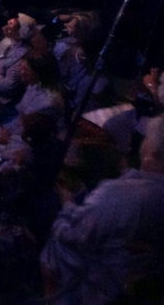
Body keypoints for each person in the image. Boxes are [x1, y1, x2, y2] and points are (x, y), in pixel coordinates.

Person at [41, 116, 164, 304]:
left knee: (55, 240)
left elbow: (70, 234)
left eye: (146, 137)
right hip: (143, 279)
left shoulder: (119, 194)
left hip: (106, 288)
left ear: (153, 152)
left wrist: (66, 204)